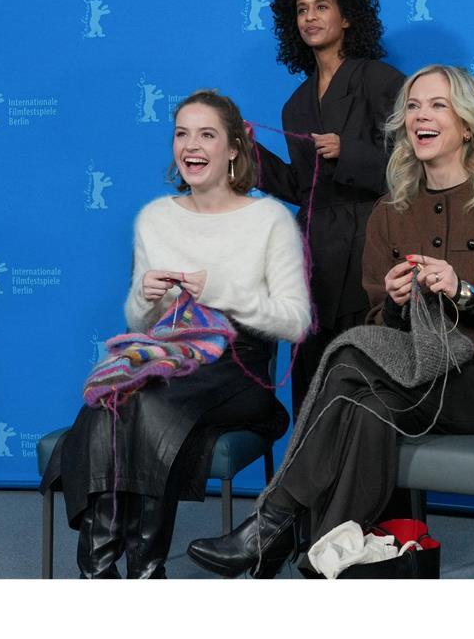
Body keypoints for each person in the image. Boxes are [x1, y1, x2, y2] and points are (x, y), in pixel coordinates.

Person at [186, 65, 474, 578]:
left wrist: (465, 292)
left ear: (468, 123)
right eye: (412, 106)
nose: (421, 116)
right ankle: (325, 557)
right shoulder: (390, 211)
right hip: (415, 376)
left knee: (346, 367)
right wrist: (393, 303)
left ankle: (270, 525)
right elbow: (379, 328)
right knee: (362, 405)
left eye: (437, 105)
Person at [40, 90, 311, 578]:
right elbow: (140, 326)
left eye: (207, 134)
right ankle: (103, 571)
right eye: (182, 133)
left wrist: (221, 289)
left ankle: (139, 571)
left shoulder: (268, 218)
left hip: (240, 368)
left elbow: (294, 320)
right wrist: (146, 297)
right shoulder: (155, 217)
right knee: (116, 398)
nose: (191, 145)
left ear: (234, 148)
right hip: (169, 357)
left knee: (144, 401)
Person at [256, 0, 406, 416]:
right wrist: (247, 157)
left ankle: (374, 483)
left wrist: (351, 152)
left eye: (322, 7)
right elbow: (304, 188)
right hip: (313, 253)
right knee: (312, 377)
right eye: (302, 10)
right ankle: (310, 480)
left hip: (370, 245)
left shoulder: (379, 80)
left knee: (363, 371)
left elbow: (414, 168)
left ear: (347, 18)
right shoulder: (295, 103)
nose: (311, 18)